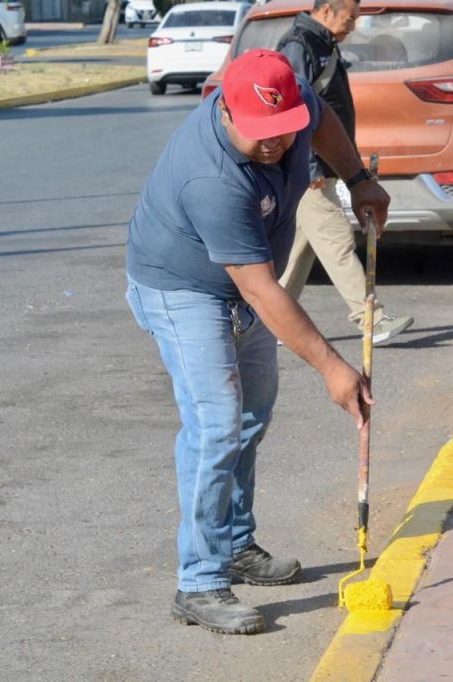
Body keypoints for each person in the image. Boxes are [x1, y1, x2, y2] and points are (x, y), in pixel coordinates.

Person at [125, 49, 389, 635]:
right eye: (260, 132)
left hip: (246, 284)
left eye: (283, 129)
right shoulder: (210, 178)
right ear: (225, 111)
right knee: (216, 426)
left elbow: (321, 120)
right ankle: (199, 582)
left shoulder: (289, 99)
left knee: (251, 417)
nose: (275, 142)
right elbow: (264, 291)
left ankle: (235, 544)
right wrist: (333, 367)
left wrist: (358, 180)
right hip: (184, 290)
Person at [277, 0, 414, 345]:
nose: (353, 26)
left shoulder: (323, 43)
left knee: (299, 251)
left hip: (320, 166)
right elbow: (293, 107)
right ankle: (371, 319)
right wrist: (310, 164)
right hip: (309, 169)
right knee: (337, 241)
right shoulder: (300, 44)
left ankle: (269, 321)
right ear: (326, 10)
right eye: (350, 18)